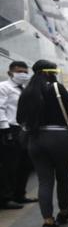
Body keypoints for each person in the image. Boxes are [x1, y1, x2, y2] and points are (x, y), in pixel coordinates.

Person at [16, 60, 68, 227]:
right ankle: (64, 212)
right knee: (63, 177)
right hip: (58, 138)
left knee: (44, 181)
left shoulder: (27, 91)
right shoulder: (56, 88)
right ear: (50, 72)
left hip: (35, 140)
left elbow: (20, 118)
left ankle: (47, 222)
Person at [0, 61, 37, 210]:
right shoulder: (4, 87)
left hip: (24, 130)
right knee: (9, 166)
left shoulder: (25, 89)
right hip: (10, 130)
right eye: (19, 71)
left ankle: (20, 195)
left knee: (25, 164)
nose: (23, 74)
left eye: (25, 71)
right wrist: (5, 130)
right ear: (10, 73)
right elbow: (0, 108)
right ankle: (6, 198)